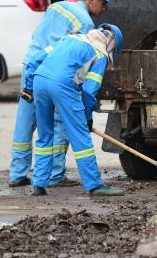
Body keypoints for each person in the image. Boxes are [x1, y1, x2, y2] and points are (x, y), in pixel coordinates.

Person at [8, 0, 111, 188]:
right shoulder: (86, 23)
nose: (104, 8)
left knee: (25, 123)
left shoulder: (57, 6)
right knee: (58, 124)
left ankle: (17, 174)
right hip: (54, 71)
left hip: (32, 66)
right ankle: (55, 174)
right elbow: (76, 59)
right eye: (103, 3)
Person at [22, 24, 125, 196]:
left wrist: (28, 87)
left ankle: (39, 184)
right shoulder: (101, 55)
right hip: (62, 84)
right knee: (81, 137)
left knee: (45, 135)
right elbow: (89, 91)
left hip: (39, 80)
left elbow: (36, 59)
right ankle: (94, 185)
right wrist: (86, 117)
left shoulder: (70, 38)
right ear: (112, 46)